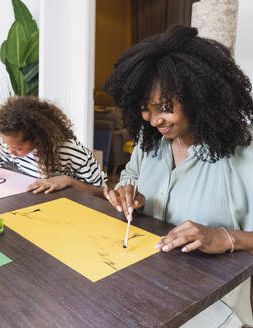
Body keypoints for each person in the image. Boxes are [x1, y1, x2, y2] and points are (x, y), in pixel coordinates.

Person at [103, 25, 253, 327]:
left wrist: (220, 236)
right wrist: (129, 194)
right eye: (145, 108)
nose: (154, 119)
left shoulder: (244, 154)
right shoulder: (151, 142)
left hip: (215, 308)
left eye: (165, 108)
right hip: (147, 288)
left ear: (199, 97)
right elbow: (129, 176)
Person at [0, 96, 107, 195]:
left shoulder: (72, 153)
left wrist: (69, 181)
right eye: (6, 144)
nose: (10, 152)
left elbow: (102, 192)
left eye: (17, 148)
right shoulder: (9, 142)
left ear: (37, 138)